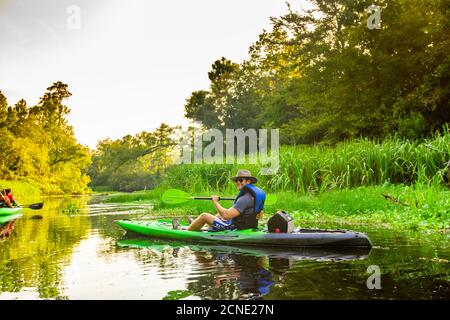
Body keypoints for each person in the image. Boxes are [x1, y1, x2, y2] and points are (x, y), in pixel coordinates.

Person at [175, 169, 266, 231]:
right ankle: (199, 224)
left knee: (204, 216)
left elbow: (226, 215)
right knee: (219, 214)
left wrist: (215, 202)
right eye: (236, 180)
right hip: (247, 226)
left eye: (241, 180)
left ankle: (185, 230)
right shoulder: (253, 196)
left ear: (248, 181)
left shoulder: (244, 199)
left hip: (234, 228)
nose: (238, 182)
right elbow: (260, 215)